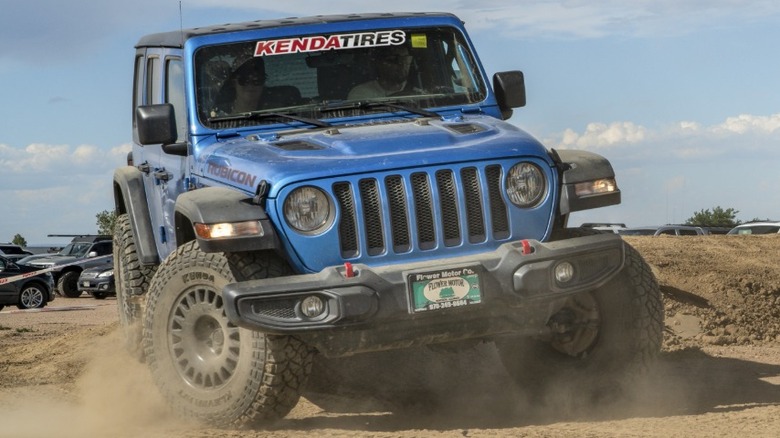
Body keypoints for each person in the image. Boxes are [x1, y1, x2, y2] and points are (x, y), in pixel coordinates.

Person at [211, 57, 301, 116]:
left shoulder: (280, 113)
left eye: (257, 81)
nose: (250, 86)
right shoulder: (218, 115)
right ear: (234, 83)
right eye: (244, 81)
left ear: (264, 83)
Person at [347, 45, 414, 100]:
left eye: (406, 59)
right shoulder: (361, 93)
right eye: (394, 60)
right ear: (379, 63)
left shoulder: (417, 94)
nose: (402, 64)